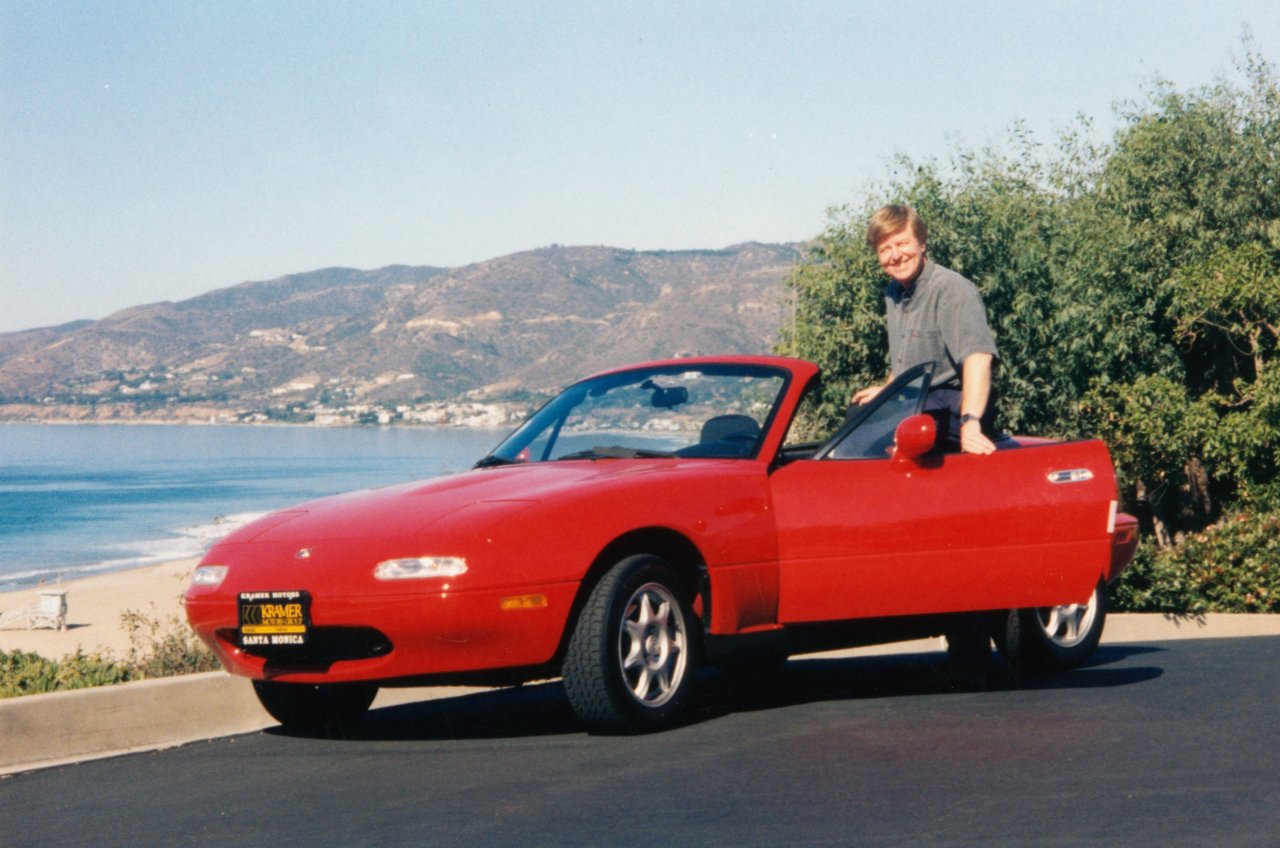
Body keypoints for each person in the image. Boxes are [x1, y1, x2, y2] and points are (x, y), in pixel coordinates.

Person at [851, 204, 999, 455]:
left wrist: (970, 423)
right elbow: (904, 358)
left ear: (922, 243)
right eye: (885, 249)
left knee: (881, 446)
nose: (895, 256)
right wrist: (888, 392)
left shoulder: (951, 289)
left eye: (902, 244)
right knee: (858, 414)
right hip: (917, 398)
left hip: (950, 404)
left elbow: (978, 357)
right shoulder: (894, 292)